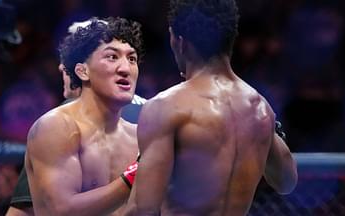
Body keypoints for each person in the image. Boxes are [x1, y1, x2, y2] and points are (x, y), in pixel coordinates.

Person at [125, 0, 298, 215]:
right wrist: (269, 130)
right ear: (230, 40)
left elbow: (143, 208)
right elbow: (287, 182)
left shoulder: (166, 107)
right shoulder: (260, 108)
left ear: (179, 42)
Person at [22, 16, 144, 215]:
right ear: (83, 71)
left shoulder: (140, 137)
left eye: (132, 59)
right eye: (112, 56)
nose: (125, 68)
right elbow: (61, 211)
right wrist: (134, 175)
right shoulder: (56, 127)